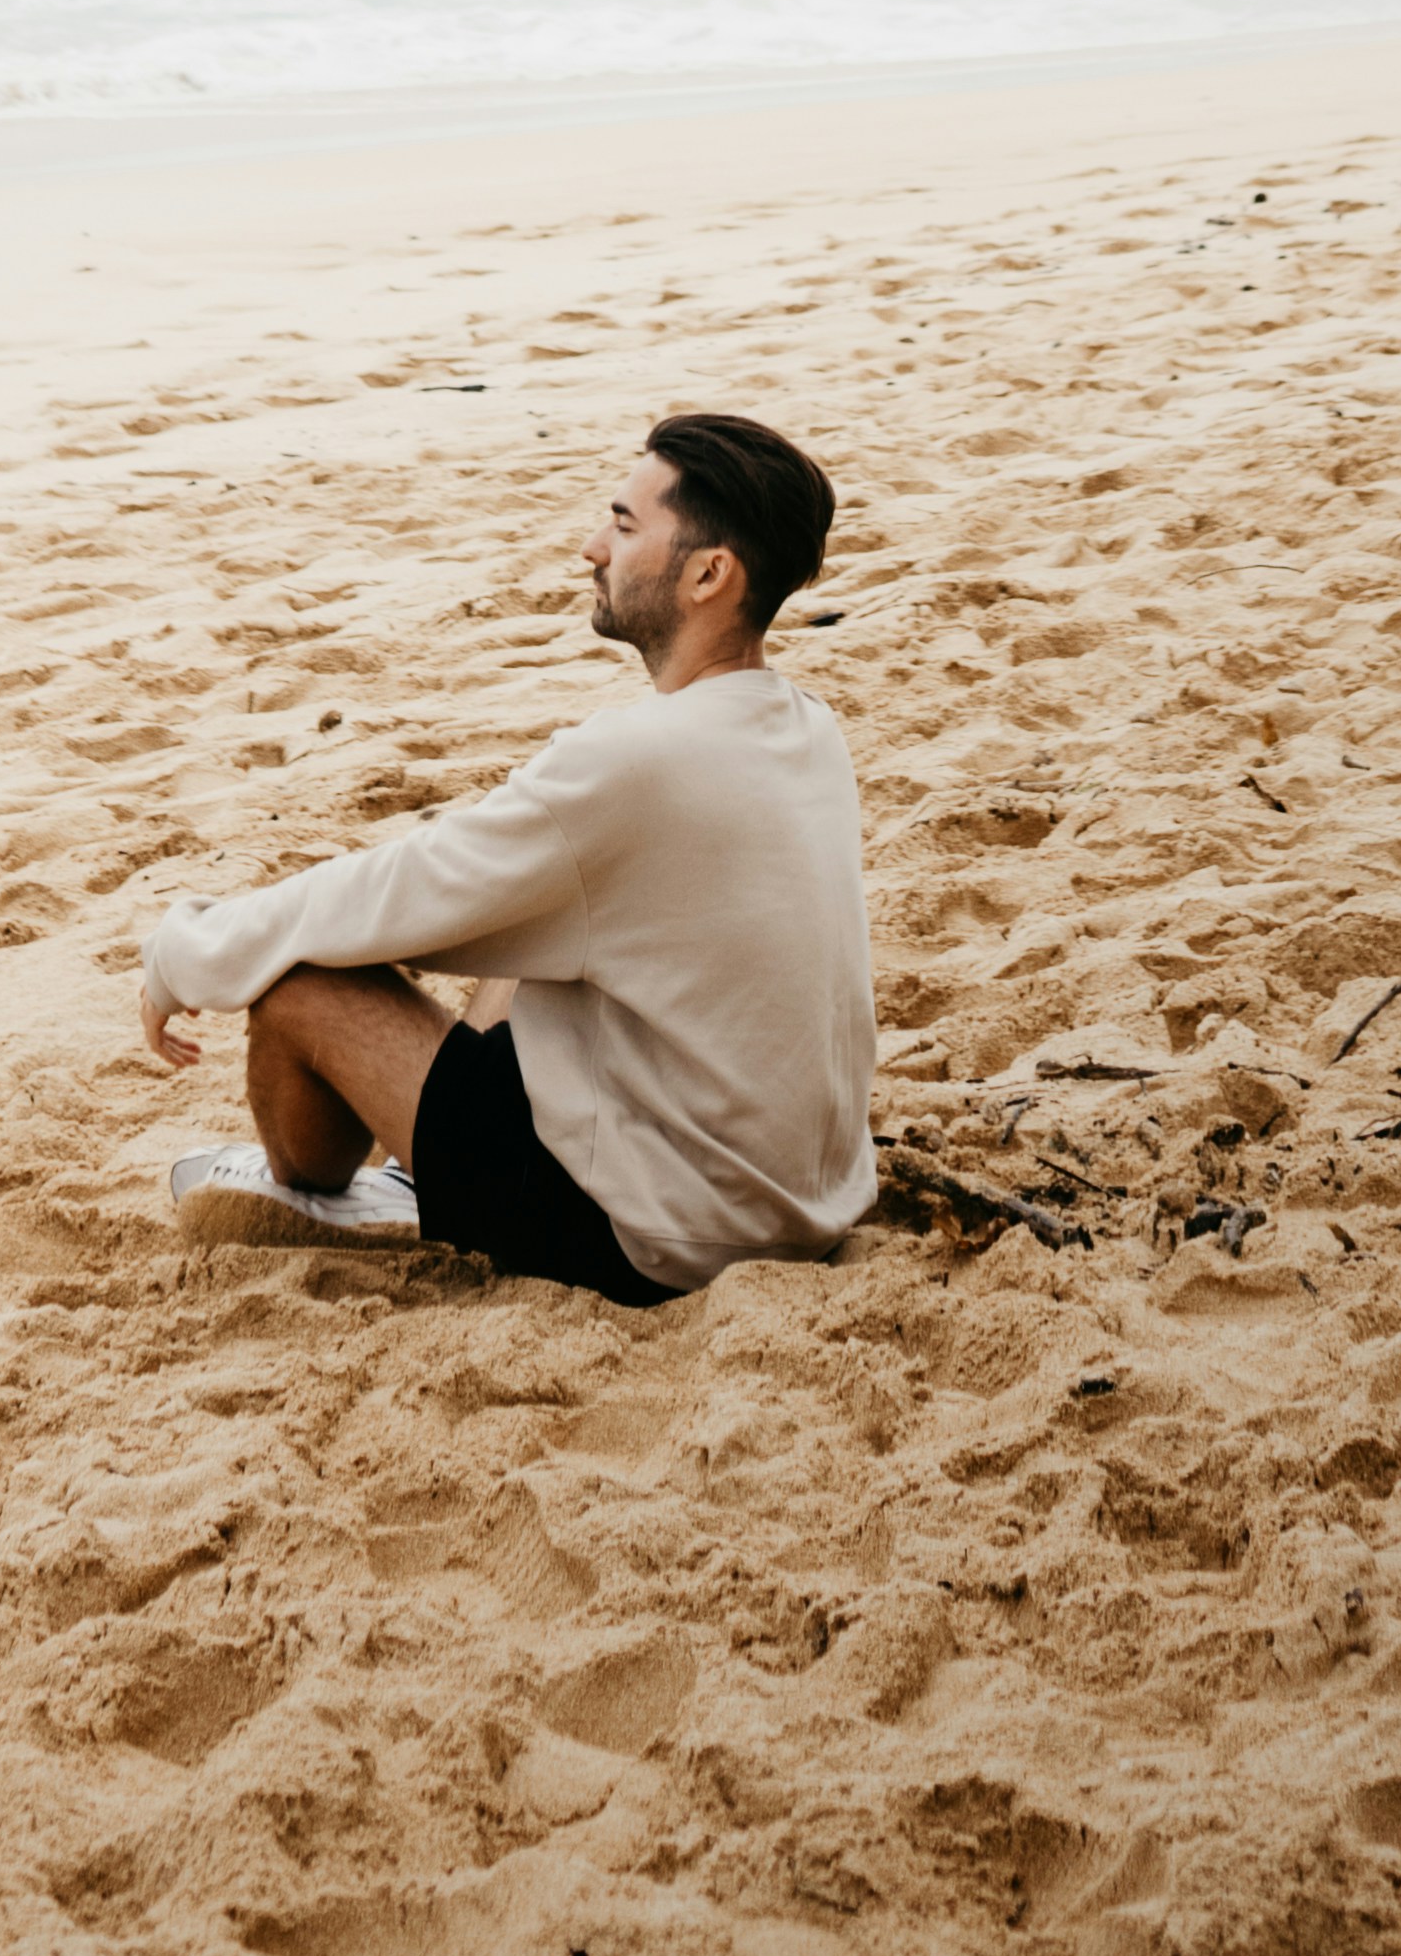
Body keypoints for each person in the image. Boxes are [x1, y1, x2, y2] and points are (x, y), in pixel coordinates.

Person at [141, 408, 873, 1307]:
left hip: (658, 1236)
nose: (591, 548)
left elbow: (396, 893)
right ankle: (417, 1167)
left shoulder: (639, 761)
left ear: (710, 575)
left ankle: (322, 1195)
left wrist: (183, 952)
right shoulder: (805, 728)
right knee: (534, 941)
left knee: (299, 982)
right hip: (800, 1203)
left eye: (624, 524)